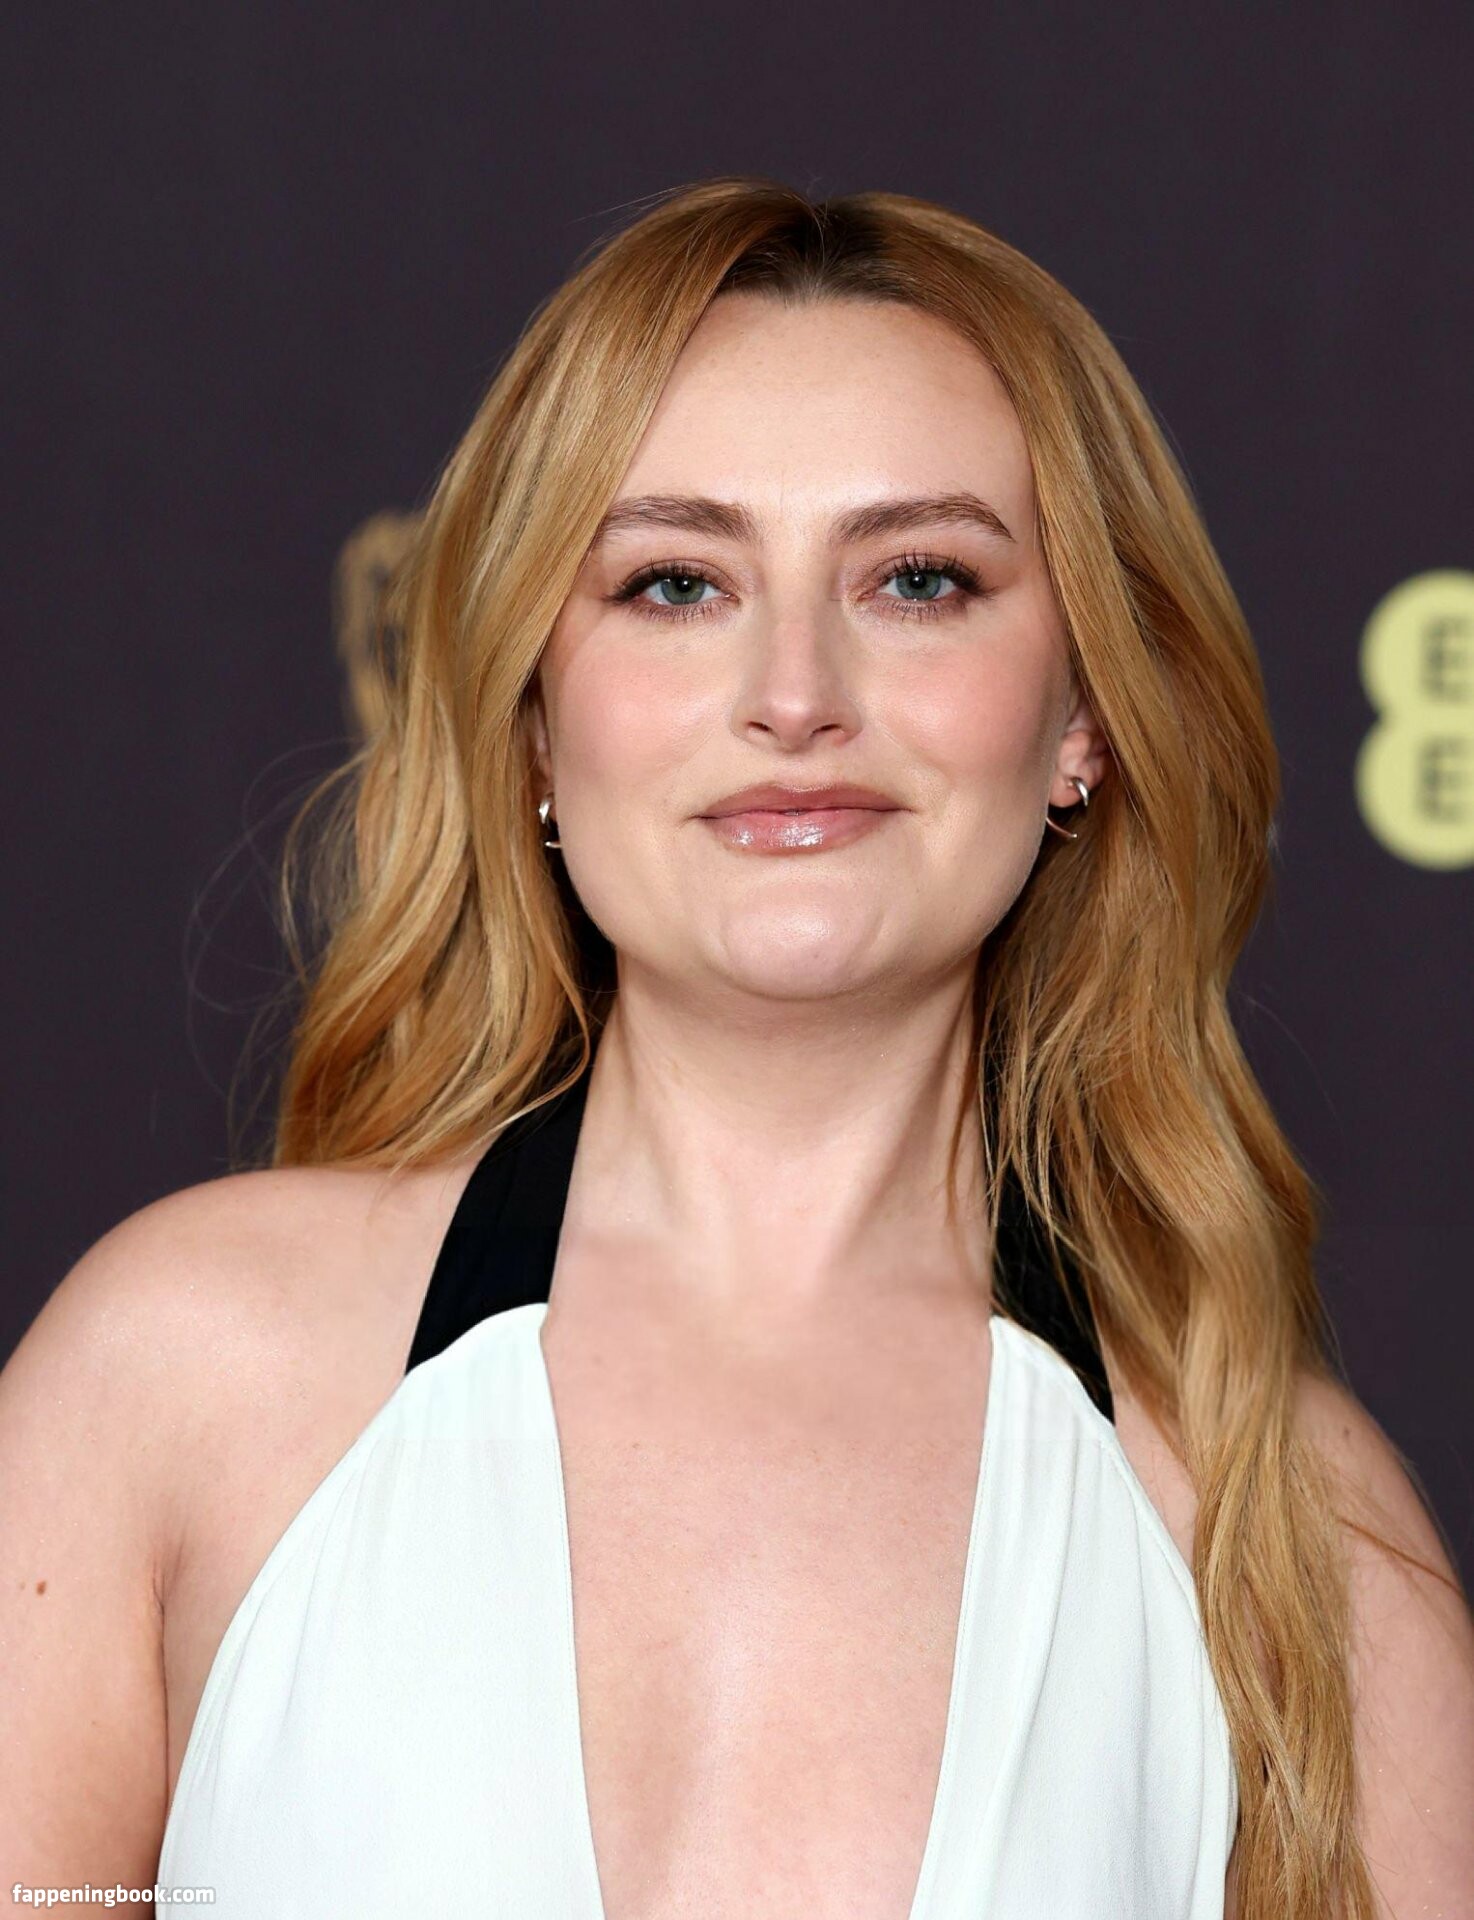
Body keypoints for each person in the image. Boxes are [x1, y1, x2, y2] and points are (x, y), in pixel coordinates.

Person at [3, 178, 1471, 1920]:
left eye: (917, 579)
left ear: (1084, 712)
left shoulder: (1288, 1536)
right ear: (533, 719)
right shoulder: (179, 1376)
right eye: (675, 583)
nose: (793, 692)